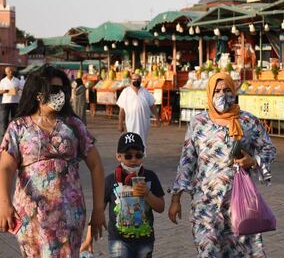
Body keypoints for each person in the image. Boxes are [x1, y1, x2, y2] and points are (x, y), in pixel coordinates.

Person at [0, 65, 106, 257]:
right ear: (38, 94)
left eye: (63, 90)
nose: (61, 95)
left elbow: (96, 166)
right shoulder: (18, 127)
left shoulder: (73, 125)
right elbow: (6, 167)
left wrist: (98, 209)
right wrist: (4, 203)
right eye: (55, 90)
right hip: (32, 217)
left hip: (70, 216)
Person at [168, 72, 276, 257]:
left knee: (243, 252)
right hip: (205, 204)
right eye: (217, 91)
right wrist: (176, 199)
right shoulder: (198, 123)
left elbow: (269, 149)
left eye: (226, 90)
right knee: (208, 251)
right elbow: (187, 162)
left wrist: (253, 161)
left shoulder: (248, 121)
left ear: (234, 91)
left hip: (239, 202)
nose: (222, 94)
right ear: (210, 94)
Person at [81, 132, 165, 258]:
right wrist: (88, 239)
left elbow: (161, 207)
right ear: (119, 157)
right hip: (118, 239)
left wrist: (147, 194)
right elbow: (98, 211)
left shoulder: (150, 177)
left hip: (145, 240)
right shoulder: (111, 180)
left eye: (138, 155)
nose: (133, 159)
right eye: (128, 156)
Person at [117, 74, 161, 148]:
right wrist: (120, 124)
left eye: (138, 79)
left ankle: (141, 156)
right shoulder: (126, 92)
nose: (136, 81)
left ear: (140, 81)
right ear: (131, 80)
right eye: (134, 79)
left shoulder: (145, 92)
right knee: (132, 142)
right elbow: (122, 110)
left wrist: (157, 119)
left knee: (142, 142)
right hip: (131, 123)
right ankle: (135, 157)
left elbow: (152, 105)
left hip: (144, 123)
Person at [0, 66, 22, 133]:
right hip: (5, 102)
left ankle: (14, 132)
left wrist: (18, 89)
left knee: (14, 119)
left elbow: (21, 89)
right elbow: (0, 91)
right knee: (4, 119)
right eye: (9, 71)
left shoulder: (17, 80)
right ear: (6, 72)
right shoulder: (3, 81)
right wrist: (7, 91)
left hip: (15, 102)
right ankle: (4, 133)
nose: (10, 72)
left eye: (11, 71)